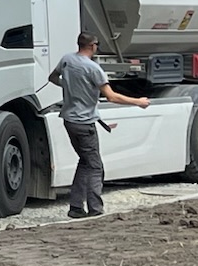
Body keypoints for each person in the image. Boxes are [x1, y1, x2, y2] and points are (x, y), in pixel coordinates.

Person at [50, 31, 150, 219]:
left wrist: (70, 87)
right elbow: (112, 96)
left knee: (85, 162)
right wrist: (138, 102)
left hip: (69, 121)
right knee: (95, 166)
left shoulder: (66, 60)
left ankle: (76, 207)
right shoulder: (93, 69)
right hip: (85, 123)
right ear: (93, 46)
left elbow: (53, 78)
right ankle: (95, 208)